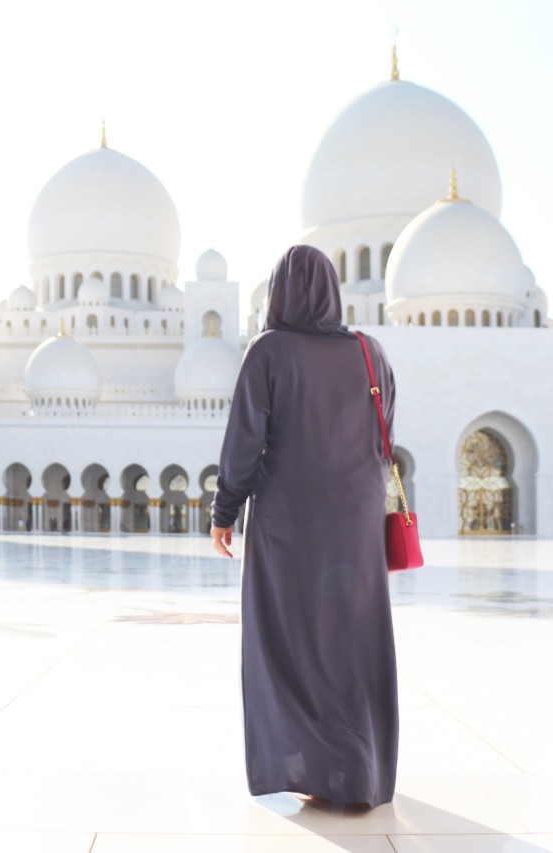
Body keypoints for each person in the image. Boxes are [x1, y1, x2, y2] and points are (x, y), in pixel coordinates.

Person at [210, 244, 399, 809]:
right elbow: (384, 434)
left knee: (287, 639)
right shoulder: (371, 352)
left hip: (289, 523)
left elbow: (245, 441)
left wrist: (225, 511)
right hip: (357, 521)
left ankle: (311, 767)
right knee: (351, 639)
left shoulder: (269, 351)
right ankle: (358, 773)